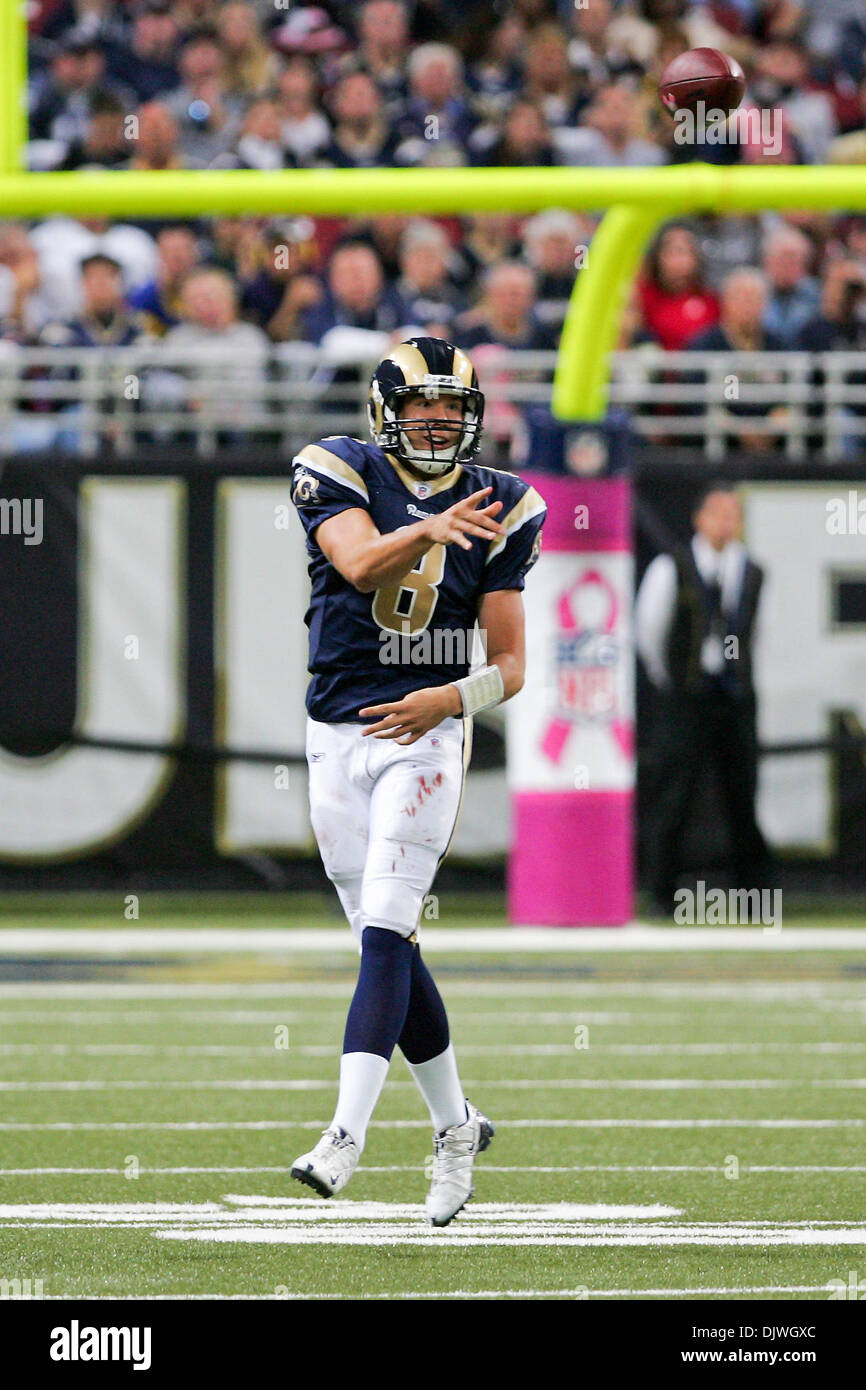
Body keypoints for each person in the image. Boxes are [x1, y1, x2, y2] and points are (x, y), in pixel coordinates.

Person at [289, 336, 546, 1225]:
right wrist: (427, 527)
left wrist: (448, 696)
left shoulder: (508, 503)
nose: (436, 424)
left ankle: (345, 1136)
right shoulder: (335, 467)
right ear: (384, 411)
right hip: (338, 726)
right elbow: (360, 564)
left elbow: (512, 665)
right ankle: (455, 1125)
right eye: (421, 408)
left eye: (451, 410)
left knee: (387, 931)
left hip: (427, 732)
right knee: (384, 943)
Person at [635, 481, 774, 915]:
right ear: (699, 518)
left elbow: (757, 633)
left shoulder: (750, 569)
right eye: (718, 513)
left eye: (733, 514)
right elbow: (649, 632)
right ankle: (662, 891)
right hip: (686, 697)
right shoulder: (671, 566)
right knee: (674, 791)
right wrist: (675, 679)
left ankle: (752, 893)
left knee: (742, 791)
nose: (725, 522)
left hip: (733, 696)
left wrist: (739, 676)